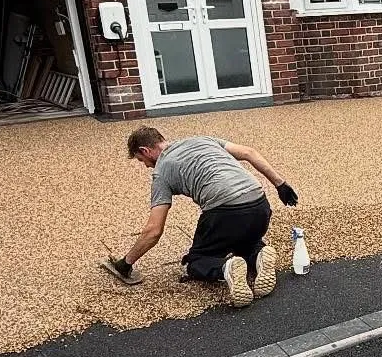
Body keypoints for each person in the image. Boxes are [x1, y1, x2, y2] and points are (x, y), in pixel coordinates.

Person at [103, 127, 298, 308]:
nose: (145, 166)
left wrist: (126, 263)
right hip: (260, 205)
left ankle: (226, 268)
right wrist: (280, 184)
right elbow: (249, 153)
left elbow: (154, 231)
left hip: (225, 212)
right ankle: (259, 255)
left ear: (145, 150)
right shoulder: (202, 140)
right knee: (244, 241)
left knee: (197, 261)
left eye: (141, 160)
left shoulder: (161, 172)